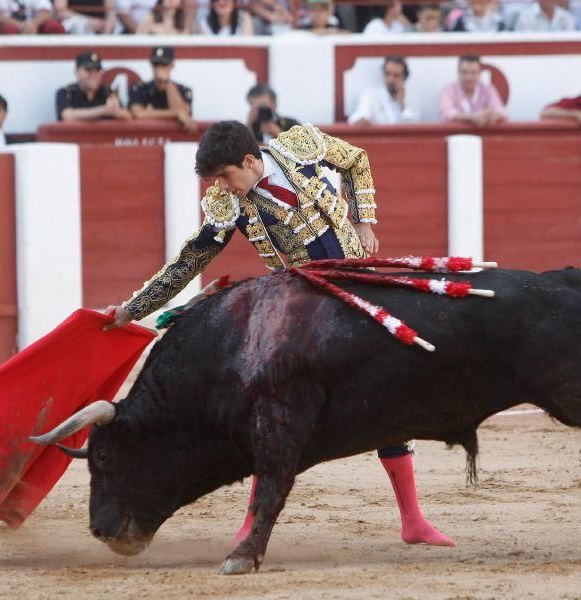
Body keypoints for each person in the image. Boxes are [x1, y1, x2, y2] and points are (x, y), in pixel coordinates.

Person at [103, 120, 455, 548]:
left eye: (226, 177)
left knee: (388, 392)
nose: (222, 187)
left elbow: (356, 160)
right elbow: (190, 260)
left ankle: (413, 520)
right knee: (270, 403)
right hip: (305, 304)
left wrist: (363, 220)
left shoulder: (301, 145)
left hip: (358, 283)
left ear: (250, 161)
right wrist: (133, 308)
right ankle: (252, 524)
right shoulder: (226, 203)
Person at [129, 46, 196, 132]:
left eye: (164, 65)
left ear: (171, 66)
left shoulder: (183, 90)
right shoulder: (140, 88)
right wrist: (175, 113)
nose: (159, 69)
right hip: (147, 136)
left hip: (174, 139)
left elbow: (184, 113)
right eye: (156, 64)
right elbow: (137, 113)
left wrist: (167, 83)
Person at [55, 52, 131, 122]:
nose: (94, 75)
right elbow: (67, 115)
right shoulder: (67, 93)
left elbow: (126, 115)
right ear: (77, 72)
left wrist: (114, 110)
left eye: (97, 70)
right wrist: (104, 110)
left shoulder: (108, 92)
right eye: (89, 70)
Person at [347, 55, 419, 126]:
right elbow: (360, 114)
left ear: (404, 77)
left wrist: (402, 104)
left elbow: (413, 125)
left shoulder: (412, 99)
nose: (391, 79)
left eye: (396, 75)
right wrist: (361, 119)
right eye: (387, 74)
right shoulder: (371, 96)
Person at [438, 55, 507, 126]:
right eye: (465, 72)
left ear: (480, 73)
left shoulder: (488, 89)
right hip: (455, 135)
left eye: (473, 72)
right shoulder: (448, 90)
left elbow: (501, 111)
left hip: (482, 133)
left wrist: (491, 116)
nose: (469, 77)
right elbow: (446, 113)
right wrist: (472, 116)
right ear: (458, 73)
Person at [0, 0, 66, 33]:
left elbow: (46, 11)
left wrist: (34, 24)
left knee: (54, 27)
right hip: (11, 25)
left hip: (33, 26)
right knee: (10, 30)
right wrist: (20, 26)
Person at [54, 0, 118, 34]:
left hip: (99, 28)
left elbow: (110, 11)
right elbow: (60, 11)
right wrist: (89, 21)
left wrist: (106, 33)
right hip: (73, 27)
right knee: (79, 25)